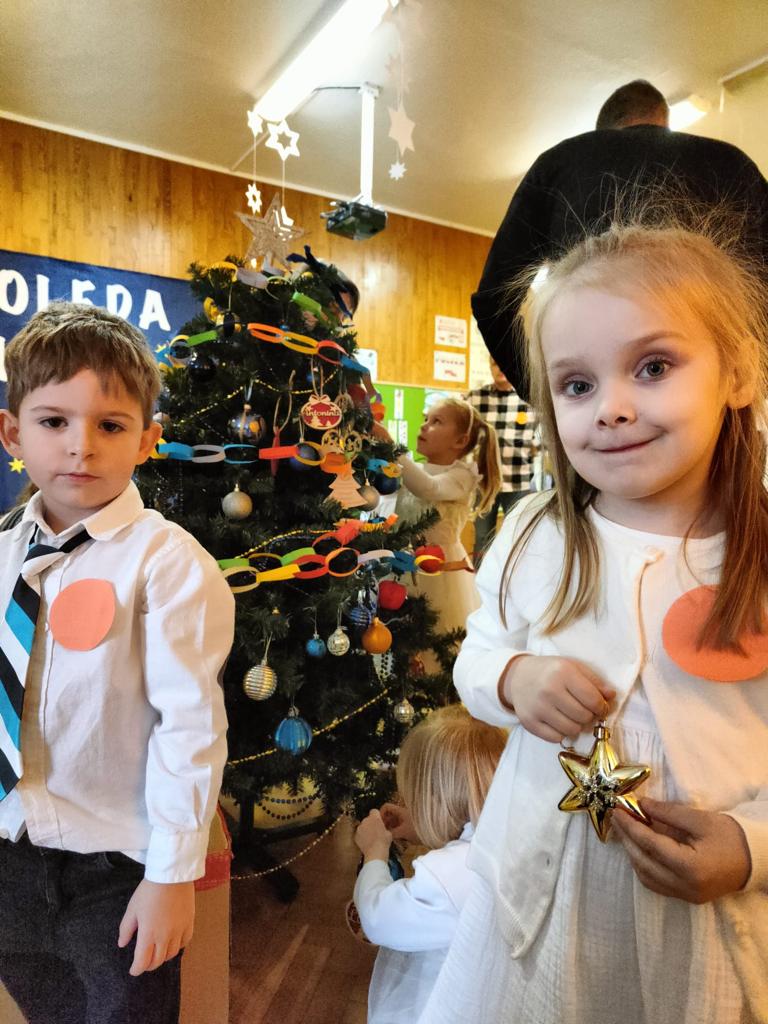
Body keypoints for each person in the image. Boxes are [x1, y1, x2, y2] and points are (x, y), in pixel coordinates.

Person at [418, 221, 768, 1024]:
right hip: (536, 910)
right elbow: (477, 658)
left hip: (706, 933)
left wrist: (751, 847)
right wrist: (515, 678)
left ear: (738, 369)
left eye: (653, 367)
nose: (611, 409)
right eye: (577, 385)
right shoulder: (536, 535)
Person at [0, 303, 235, 1024]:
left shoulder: (167, 564)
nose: (80, 447)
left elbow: (190, 727)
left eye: (109, 425)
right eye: (53, 421)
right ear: (12, 432)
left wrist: (171, 876)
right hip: (9, 856)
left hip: (115, 873)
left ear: (146, 439)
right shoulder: (4, 549)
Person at [472, 79, 768, 401]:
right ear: (663, 121)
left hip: (591, 401)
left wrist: (549, 397)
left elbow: (492, 301)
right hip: (716, 395)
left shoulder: (558, 165)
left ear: (602, 131)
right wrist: (747, 389)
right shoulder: (731, 164)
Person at [354, 705, 507, 1024]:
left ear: (436, 803)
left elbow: (378, 917)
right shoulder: (504, 841)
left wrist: (375, 852)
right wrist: (418, 824)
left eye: (414, 800)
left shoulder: (449, 876)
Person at [395, 398, 502, 635]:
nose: (424, 425)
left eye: (436, 421)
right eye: (425, 418)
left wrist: (393, 451)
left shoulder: (462, 476)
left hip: (440, 573)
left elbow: (428, 488)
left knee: (436, 632)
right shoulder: (414, 470)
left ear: (460, 441)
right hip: (402, 565)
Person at [465, 357, 539, 560]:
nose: (500, 369)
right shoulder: (474, 398)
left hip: (518, 482)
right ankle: (480, 579)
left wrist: (534, 450)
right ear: (490, 366)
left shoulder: (531, 400)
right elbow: (463, 435)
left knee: (518, 538)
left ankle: (514, 578)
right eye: (495, 364)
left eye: (504, 363)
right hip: (484, 482)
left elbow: (545, 437)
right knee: (482, 538)